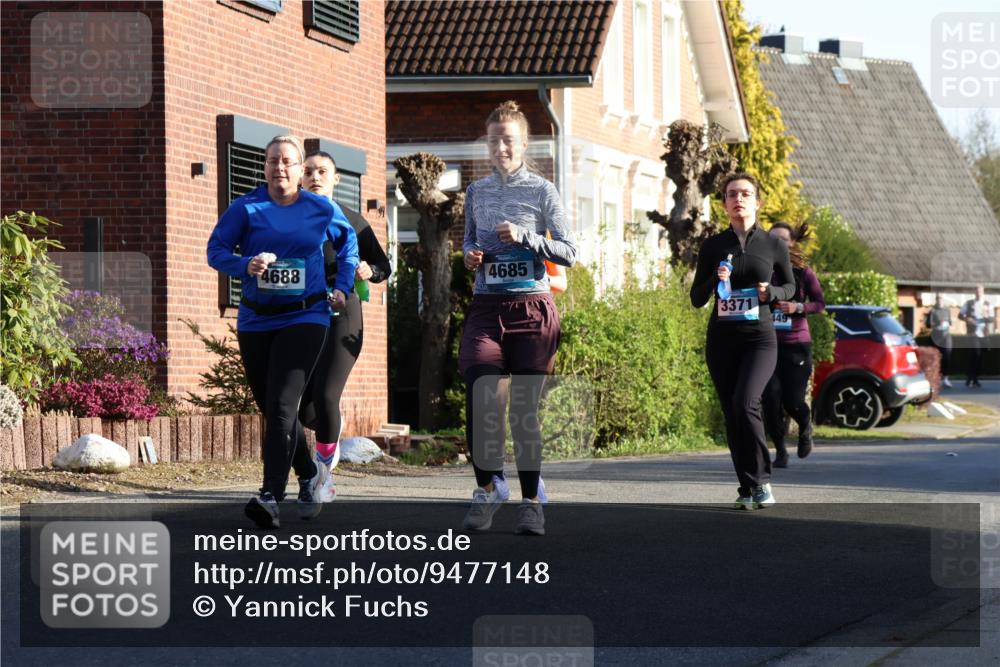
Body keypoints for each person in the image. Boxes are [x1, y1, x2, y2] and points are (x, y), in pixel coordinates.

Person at [207, 136, 359, 529]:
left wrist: (342, 286)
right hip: (256, 318)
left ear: (299, 168)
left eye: (289, 162)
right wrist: (245, 265)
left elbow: (349, 247)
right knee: (271, 407)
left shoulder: (319, 208)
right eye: (273, 160)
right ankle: (308, 474)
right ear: (265, 167)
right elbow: (216, 250)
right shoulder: (246, 207)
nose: (281, 168)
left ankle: (271, 494)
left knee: (282, 405)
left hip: (306, 317)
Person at [459, 100, 576, 536]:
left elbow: (568, 250)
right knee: (480, 399)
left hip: (532, 309)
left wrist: (528, 238)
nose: (500, 148)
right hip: (487, 308)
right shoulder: (476, 193)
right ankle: (488, 488)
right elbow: (470, 246)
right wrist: (470, 256)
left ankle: (531, 503)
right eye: (494, 141)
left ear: (524, 143)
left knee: (522, 412)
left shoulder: (543, 191)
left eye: (508, 140)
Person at [690, 172, 795, 510]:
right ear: (724, 203)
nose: (739, 199)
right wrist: (714, 278)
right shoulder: (713, 246)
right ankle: (746, 487)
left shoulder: (774, 245)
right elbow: (696, 297)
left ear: (757, 202)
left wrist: (772, 292)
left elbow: (791, 288)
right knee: (732, 411)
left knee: (746, 402)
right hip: (722, 339)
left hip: (760, 339)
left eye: (745, 194)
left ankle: (762, 481)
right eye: (732, 194)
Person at [296, 151, 392, 496]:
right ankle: (328, 433)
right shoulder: (289, 220)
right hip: (301, 314)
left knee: (325, 395)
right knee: (305, 409)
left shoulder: (353, 221)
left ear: (336, 179)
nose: (315, 177)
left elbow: (384, 265)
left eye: (323, 171)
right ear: (300, 176)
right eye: (308, 171)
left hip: (343, 313)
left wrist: (370, 270)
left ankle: (324, 479)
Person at [761, 221, 825, 468]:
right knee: (770, 398)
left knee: (792, 400)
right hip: (767, 346)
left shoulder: (804, 272)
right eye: (772, 239)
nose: (777, 244)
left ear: (791, 243)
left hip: (796, 345)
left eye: (782, 239)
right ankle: (779, 450)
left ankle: (805, 423)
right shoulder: (762, 269)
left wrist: (797, 307)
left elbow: (820, 303)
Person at [960, 285, 994, 388]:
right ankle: (972, 378)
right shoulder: (969, 303)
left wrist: (987, 316)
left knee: (979, 357)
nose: (979, 293)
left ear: (983, 292)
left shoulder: (988, 304)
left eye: (981, 291)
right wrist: (967, 319)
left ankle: (973, 377)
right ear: (974, 292)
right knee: (975, 353)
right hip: (972, 333)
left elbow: (992, 319)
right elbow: (960, 315)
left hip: (983, 333)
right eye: (977, 291)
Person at [926, 294, 953, 388]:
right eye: (938, 298)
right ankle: (935, 379)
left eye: (941, 298)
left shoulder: (947, 310)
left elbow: (950, 322)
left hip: (946, 336)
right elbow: (928, 324)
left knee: (947, 356)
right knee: (935, 358)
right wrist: (938, 323)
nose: (940, 300)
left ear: (943, 299)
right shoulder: (933, 311)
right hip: (936, 336)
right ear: (936, 299)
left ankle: (946, 378)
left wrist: (947, 323)